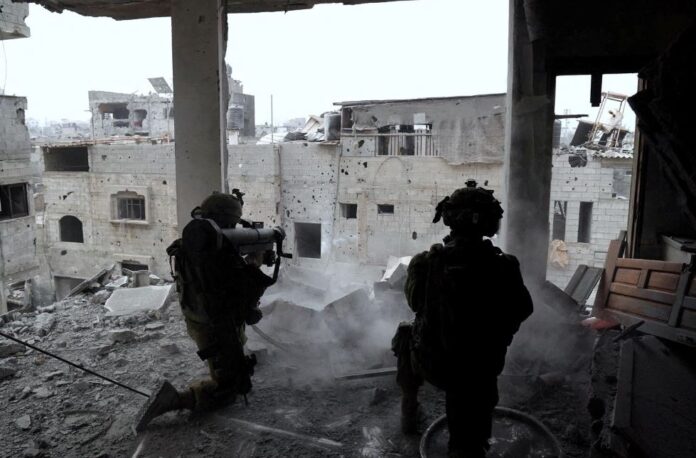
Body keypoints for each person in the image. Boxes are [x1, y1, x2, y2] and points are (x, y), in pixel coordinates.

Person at [392, 180, 533, 458]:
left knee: (406, 332)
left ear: (449, 219)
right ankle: (472, 442)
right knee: (471, 432)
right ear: (491, 223)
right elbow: (523, 309)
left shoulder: (425, 262)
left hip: (435, 365)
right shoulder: (505, 265)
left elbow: (414, 303)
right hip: (482, 370)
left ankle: (409, 410)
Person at [135, 191, 274, 431]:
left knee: (229, 365)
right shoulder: (213, 249)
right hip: (216, 323)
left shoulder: (198, 246)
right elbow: (238, 287)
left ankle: (223, 375)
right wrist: (255, 264)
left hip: (200, 317)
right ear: (227, 221)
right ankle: (175, 400)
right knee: (229, 388)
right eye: (232, 224)